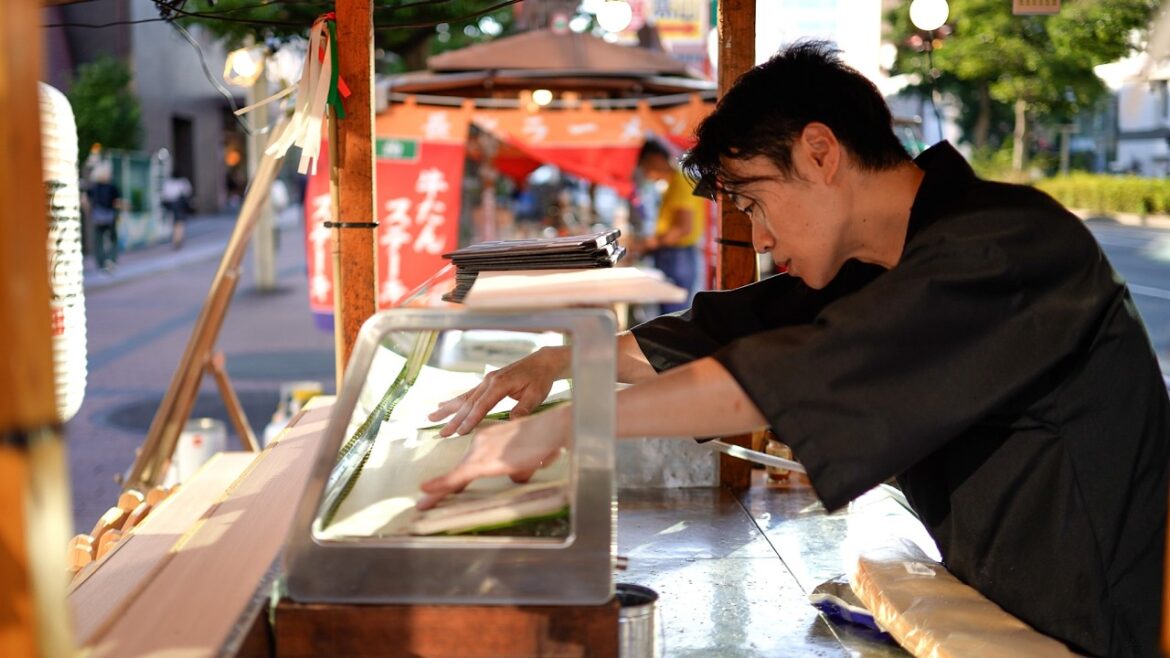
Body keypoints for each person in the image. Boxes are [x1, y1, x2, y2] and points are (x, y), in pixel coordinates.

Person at [418, 41, 1169, 658]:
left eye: (752, 200)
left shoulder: (1004, 244)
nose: (761, 236)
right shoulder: (880, 263)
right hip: (1003, 604)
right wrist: (560, 364)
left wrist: (564, 425)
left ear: (819, 152)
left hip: (1094, 626)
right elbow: (731, 333)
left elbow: (788, 374)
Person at [637, 139, 708, 312]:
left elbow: (682, 228)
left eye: (646, 165)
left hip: (678, 256)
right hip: (675, 256)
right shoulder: (673, 183)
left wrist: (650, 244)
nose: (647, 173)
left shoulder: (681, 182)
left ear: (656, 158)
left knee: (673, 313)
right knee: (670, 313)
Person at [86, 162, 123, 272]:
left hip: (97, 217)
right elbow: (117, 202)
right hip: (110, 216)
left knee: (98, 240)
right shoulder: (112, 187)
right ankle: (111, 259)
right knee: (113, 239)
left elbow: (85, 201)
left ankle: (101, 262)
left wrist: (90, 212)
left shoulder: (93, 187)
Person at [161, 174, 193, 249]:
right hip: (179, 207)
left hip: (173, 207)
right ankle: (177, 239)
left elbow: (165, 196)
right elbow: (188, 192)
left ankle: (176, 239)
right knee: (180, 224)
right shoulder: (182, 183)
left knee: (176, 224)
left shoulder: (168, 184)